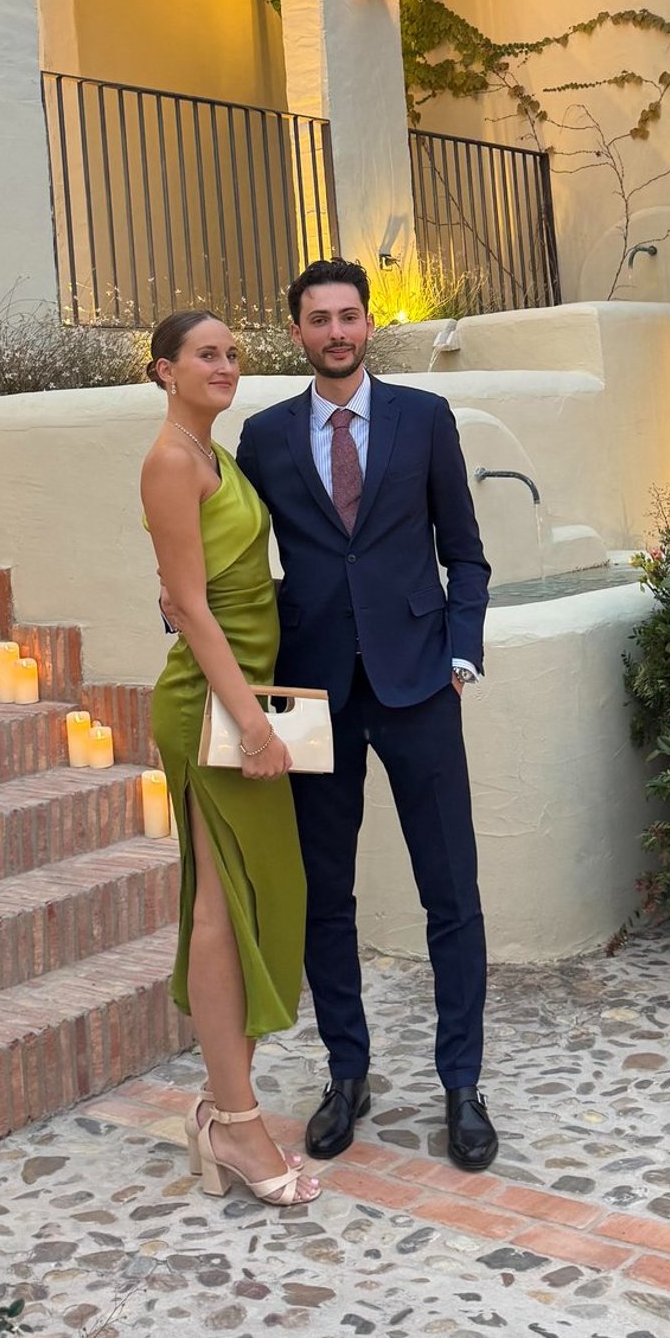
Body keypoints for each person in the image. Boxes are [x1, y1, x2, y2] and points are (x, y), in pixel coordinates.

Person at [234, 257, 498, 1172]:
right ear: (297, 332)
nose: (337, 332)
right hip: (312, 694)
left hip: (421, 681)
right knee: (322, 896)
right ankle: (347, 1074)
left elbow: (466, 554)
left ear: (368, 322)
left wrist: (461, 653)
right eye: (319, 319)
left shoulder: (425, 420)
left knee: (450, 891)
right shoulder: (263, 438)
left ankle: (461, 1082)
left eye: (349, 316)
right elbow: (239, 556)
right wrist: (191, 600)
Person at [141, 309, 319, 1207]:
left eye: (232, 354)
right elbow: (191, 607)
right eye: (205, 355)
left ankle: (227, 1110)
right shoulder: (170, 460)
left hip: (244, 699)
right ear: (164, 370)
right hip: (213, 709)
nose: (224, 365)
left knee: (261, 900)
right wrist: (250, 722)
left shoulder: (215, 456)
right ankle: (239, 1129)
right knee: (221, 904)